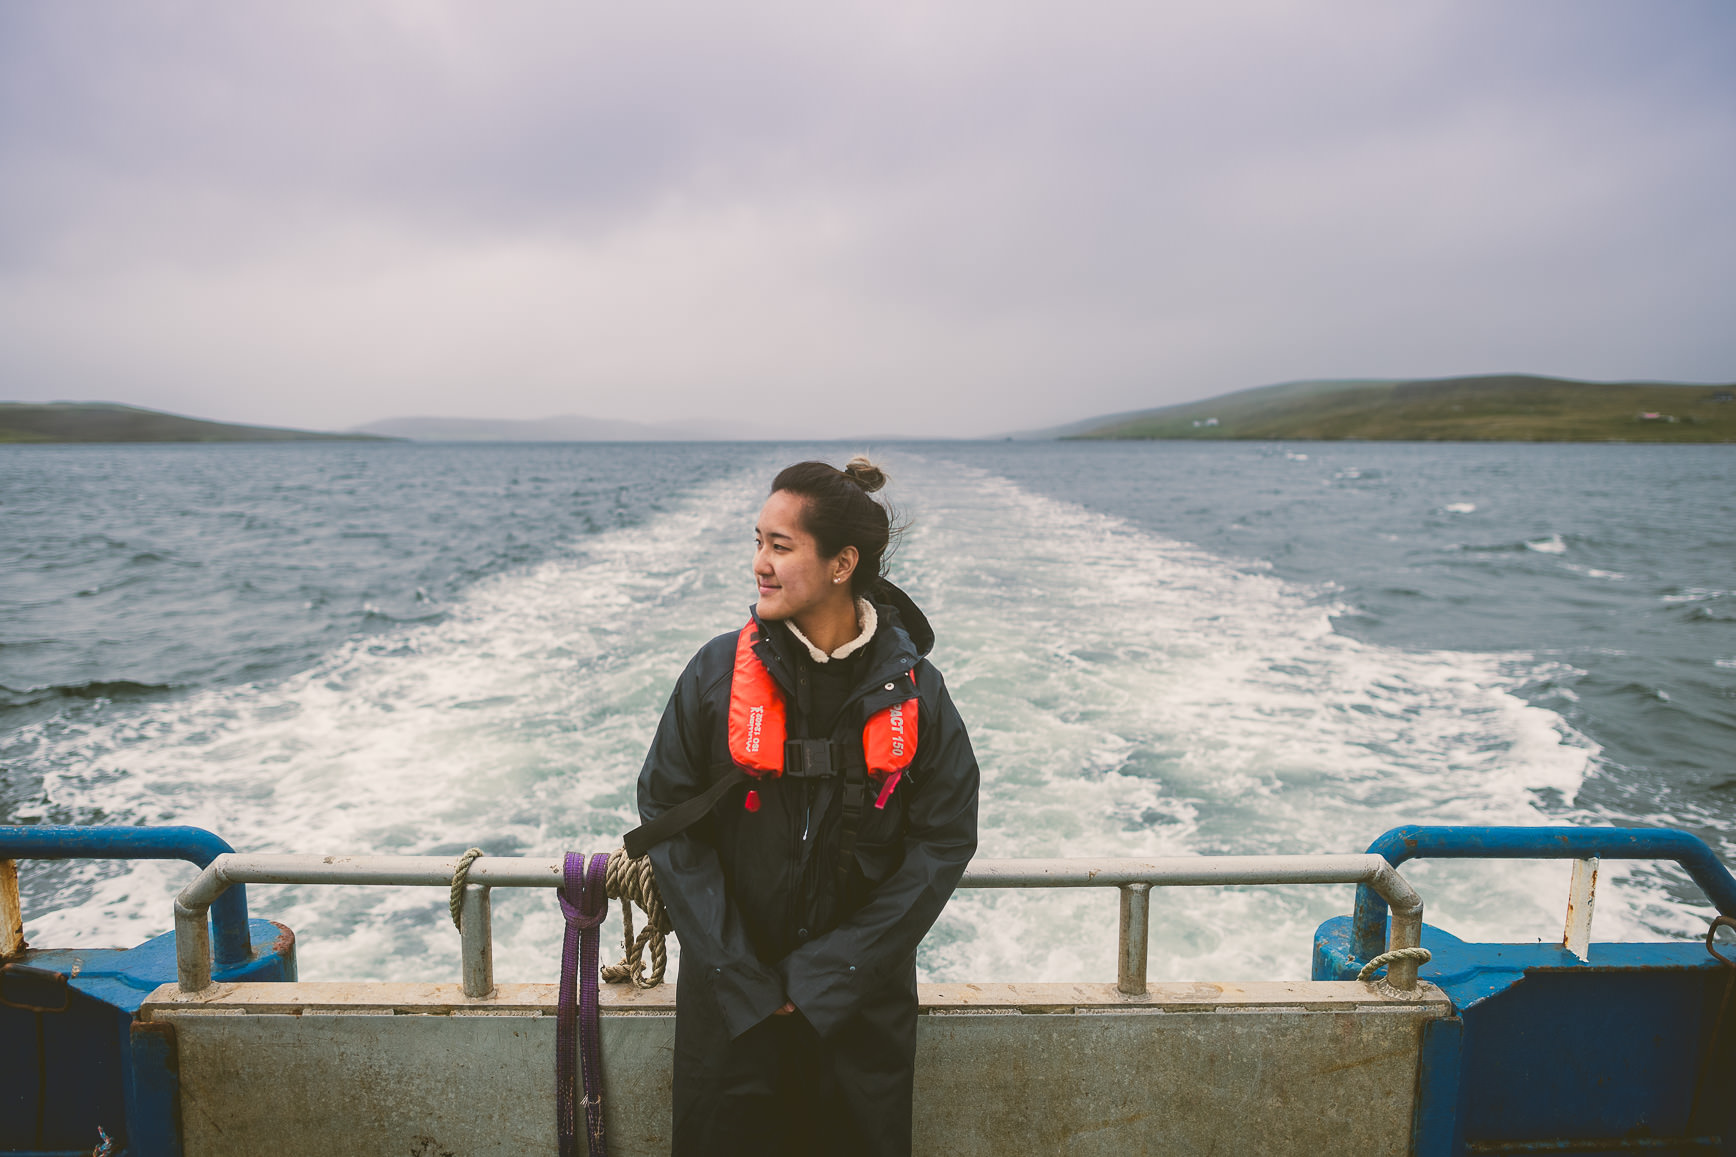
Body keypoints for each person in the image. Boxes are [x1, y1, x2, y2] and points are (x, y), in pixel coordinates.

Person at [629, 457, 980, 1157]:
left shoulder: (918, 692)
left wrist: (828, 974)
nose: (759, 563)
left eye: (780, 547)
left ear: (843, 562)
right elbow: (667, 815)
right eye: (757, 541)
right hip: (733, 1013)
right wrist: (741, 976)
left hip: (860, 1013)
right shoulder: (714, 672)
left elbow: (944, 840)